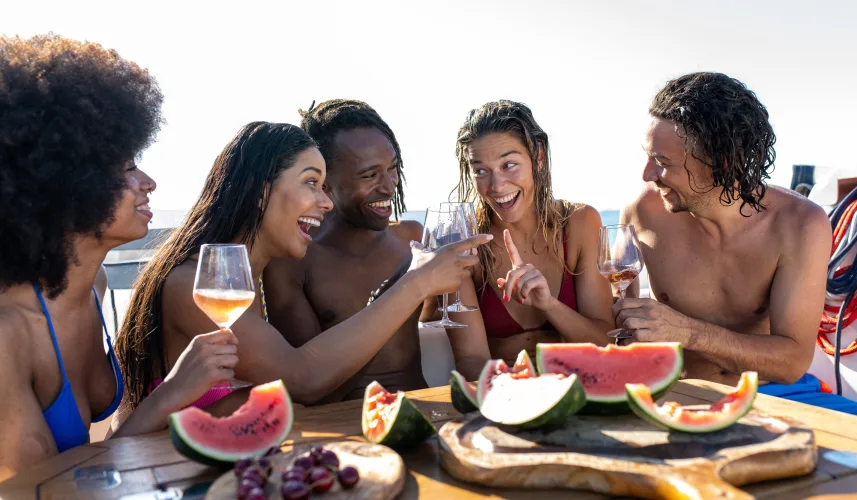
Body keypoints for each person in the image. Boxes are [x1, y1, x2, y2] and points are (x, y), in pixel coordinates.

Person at [116, 121, 491, 416]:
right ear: (260, 191)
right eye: (312, 183)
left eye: (325, 187)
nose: (326, 203)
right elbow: (303, 379)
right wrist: (417, 282)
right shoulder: (193, 285)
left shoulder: (253, 278)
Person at [0, 34, 237, 480]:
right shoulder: (8, 332)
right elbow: (47, 491)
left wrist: (173, 392)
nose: (147, 182)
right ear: (64, 180)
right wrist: (169, 396)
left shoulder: (97, 286)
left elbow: (99, 456)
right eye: (127, 168)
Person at [615, 71, 857, 422]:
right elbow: (617, 321)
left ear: (721, 163)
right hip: (676, 391)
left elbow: (792, 362)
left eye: (663, 163)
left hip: (777, 394)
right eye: (648, 156)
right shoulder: (643, 213)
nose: (647, 175)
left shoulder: (799, 224)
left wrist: (687, 332)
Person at [265, 100, 429, 401]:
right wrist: (405, 291)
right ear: (324, 183)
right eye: (370, 175)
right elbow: (311, 384)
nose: (389, 186)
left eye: (393, 169)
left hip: (423, 414)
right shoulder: (292, 261)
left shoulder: (414, 239)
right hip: (342, 428)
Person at [444, 100, 616, 381]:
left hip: (581, 390)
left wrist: (550, 305)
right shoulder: (464, 240)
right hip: (504, 396)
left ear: (538, 156)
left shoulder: (580, 222)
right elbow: (470, 360)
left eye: (509, 165)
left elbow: (605, 344)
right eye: (480, 170)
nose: (496, 186)